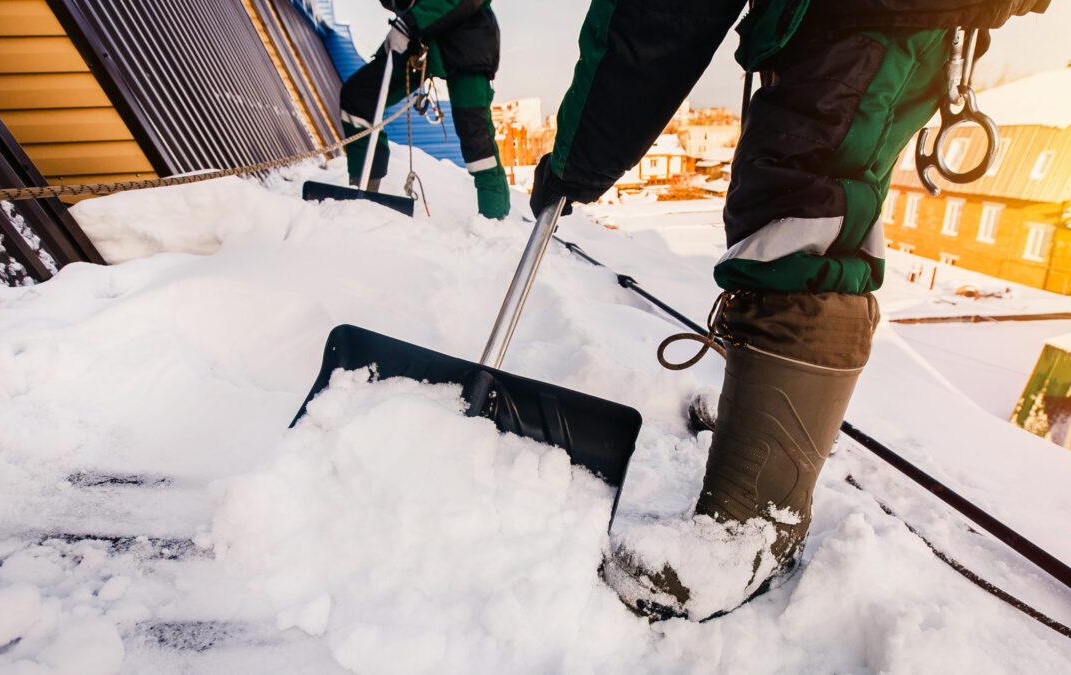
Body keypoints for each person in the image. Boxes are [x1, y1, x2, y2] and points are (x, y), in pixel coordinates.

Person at [530, 0, 1049, 621]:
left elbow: (649, 21)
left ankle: (756, 528)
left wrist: (578, 159)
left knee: (807, 215)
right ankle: (764, 422)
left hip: (871, 20)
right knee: (786, 204)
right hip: (842, 22)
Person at [340, 0, 510, 219]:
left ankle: (494, 216)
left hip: (466, 40)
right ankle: (364, 193)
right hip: (423, 41)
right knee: (359, 97)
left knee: (475, 135)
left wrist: (409, 23)